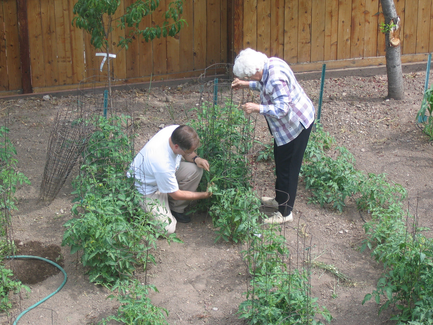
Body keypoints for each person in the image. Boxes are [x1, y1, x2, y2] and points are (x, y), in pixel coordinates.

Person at [231, 48, 314, 224]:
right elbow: (264, 84)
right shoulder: (269, 64)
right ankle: (279, 200)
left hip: (295, 127)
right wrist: (245, 84)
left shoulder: (275, 79)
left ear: (255, 71)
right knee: (281, 163)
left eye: (248, 77)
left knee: (288, 171)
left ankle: (285, 213)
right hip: (287, 128)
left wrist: (257, 108)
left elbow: (282, 109)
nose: (249, 80)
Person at [129, 125, 211, 234]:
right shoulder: (162, 162)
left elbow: (188, 153)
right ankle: (141, 206)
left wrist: (196, 159)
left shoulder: (176, 131)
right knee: (167, 229)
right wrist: (204, 195)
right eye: (187, 152)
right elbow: (176, 194)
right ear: (177, 146)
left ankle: (176, 209)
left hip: (163, 174)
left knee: (195, 170)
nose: (189, 154)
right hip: (146, 189)